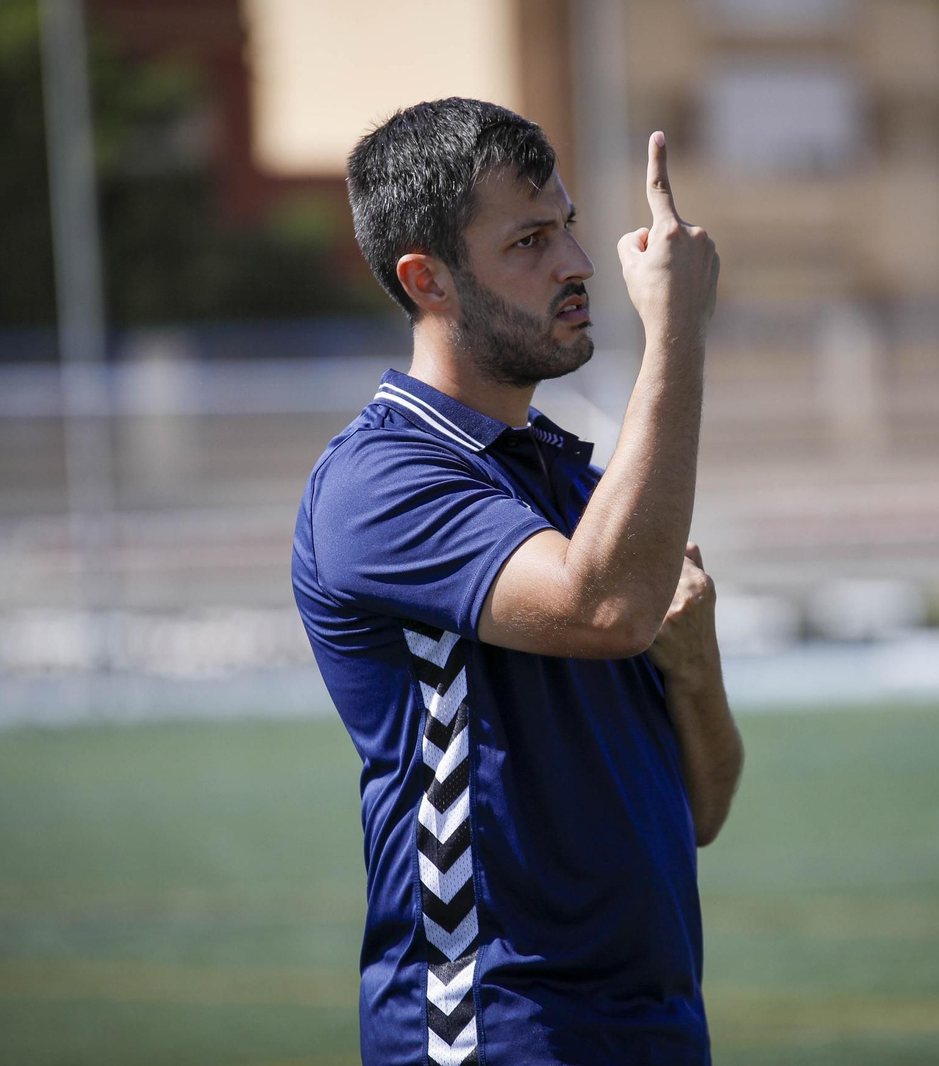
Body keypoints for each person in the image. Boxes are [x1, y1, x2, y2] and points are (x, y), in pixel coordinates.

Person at [291, 97, 742, 1065]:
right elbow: (604, 605)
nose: (577, 263)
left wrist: (696, 666)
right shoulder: (378, 482)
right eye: (530, 241)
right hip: (493, 1031)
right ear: (428, 280)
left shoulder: (580, 487)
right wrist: (677, 333)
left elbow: (701, 810)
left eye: (568, 226)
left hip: (658, 1029)